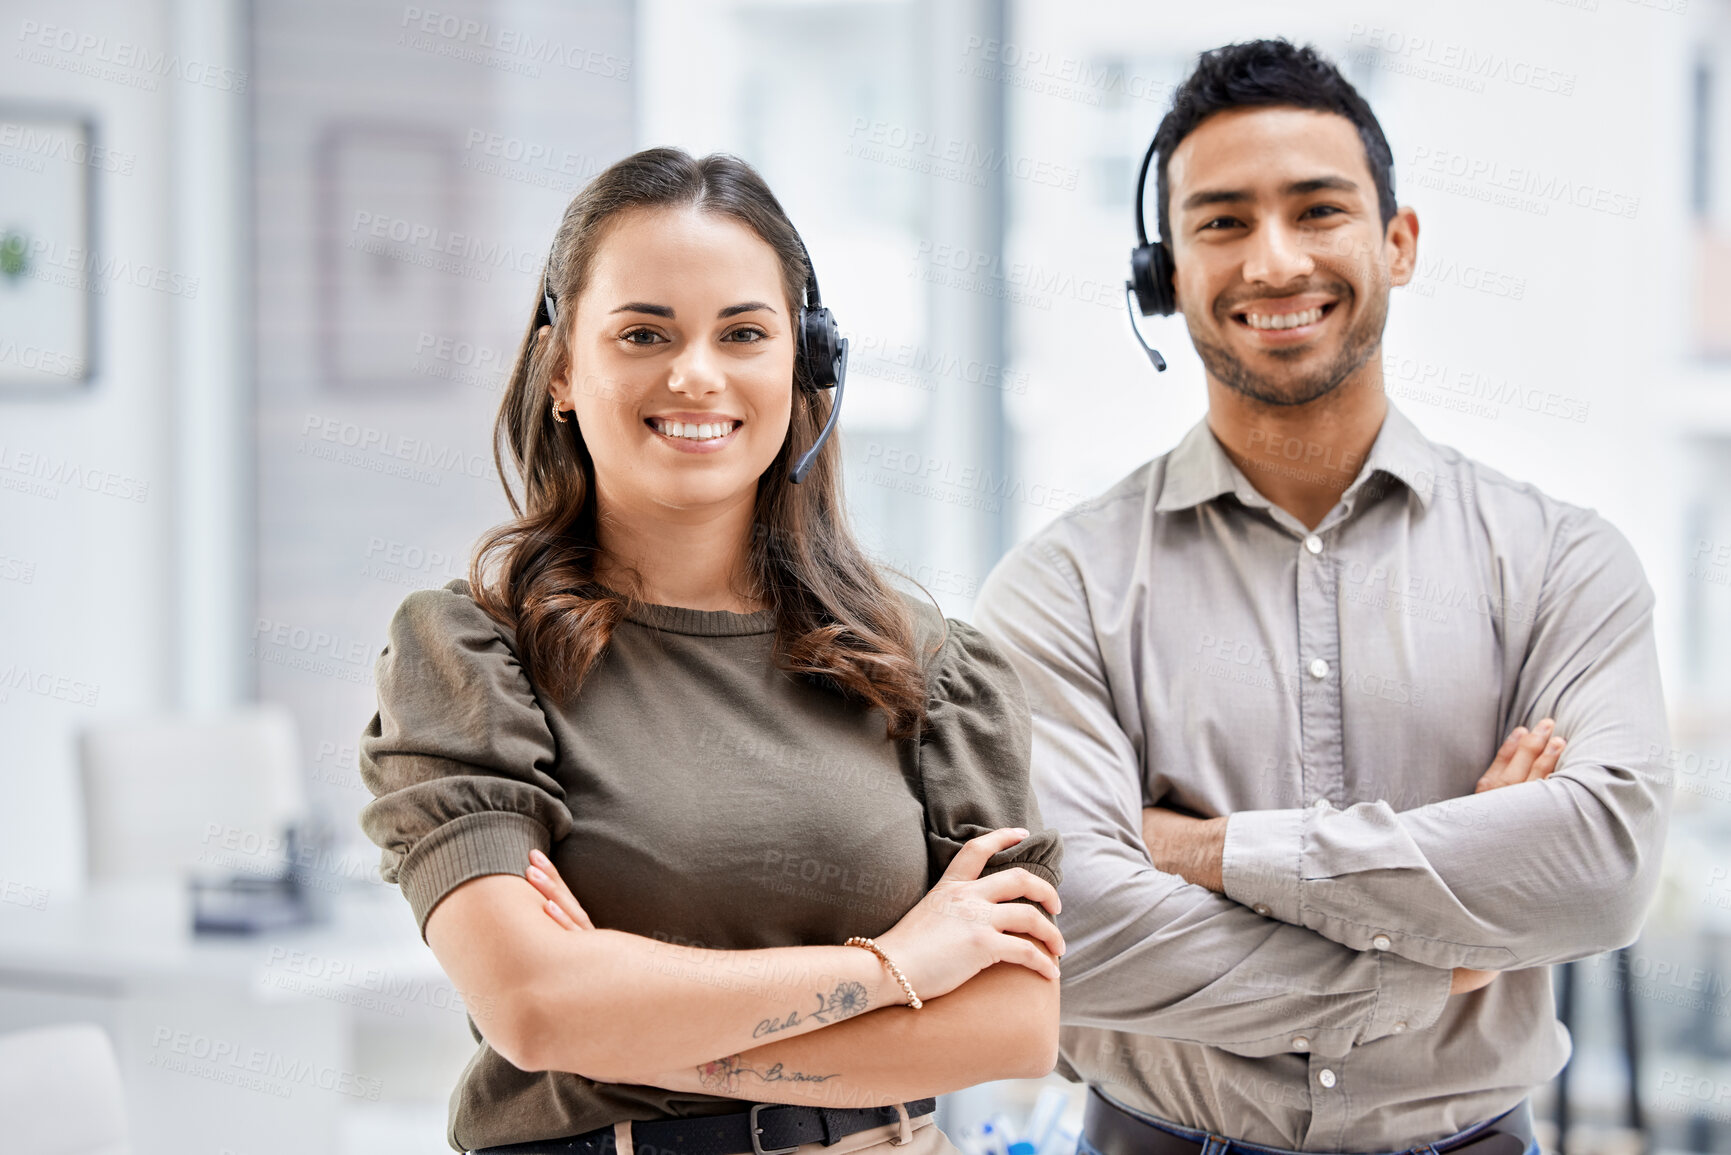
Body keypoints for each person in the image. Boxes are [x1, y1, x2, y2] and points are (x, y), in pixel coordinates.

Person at [972, 38, 1671, 1155]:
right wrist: (1448, 948)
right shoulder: (1061, 588)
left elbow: (1601, 867)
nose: (1274, 260)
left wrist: (1201, 851)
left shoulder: (1561, 562)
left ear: (1397, 243)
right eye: (1221, 222)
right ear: (1165, 276)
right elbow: (1078, 929)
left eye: (1318, 210)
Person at [356, 147, 1065, 1155]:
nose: (695, 374)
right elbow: (535, 1009)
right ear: (561, 369)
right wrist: (897, 965)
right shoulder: (471, 656)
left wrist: (638, 1024)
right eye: (644, 333)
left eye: (743, 333)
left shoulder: (929, 668)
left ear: (804, 365)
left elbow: (1012, 1026)